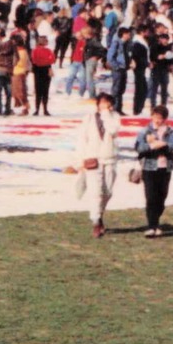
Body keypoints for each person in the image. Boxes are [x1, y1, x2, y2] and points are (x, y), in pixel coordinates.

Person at [74, 91, 120, 239]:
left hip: (109, 158)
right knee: (95, 192)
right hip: (93, 158)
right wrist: (80, 160)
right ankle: (95, 222)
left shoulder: (114, 118)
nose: (103, 106)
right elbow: (82, 139)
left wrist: (106, 114)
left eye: (106, 103)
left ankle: (99, 216)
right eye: (101, 103)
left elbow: (113, 131)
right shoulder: (88, 118)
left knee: (108, 192)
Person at [132, 105, 173, 239]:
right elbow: (139, 148)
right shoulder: (145, 131)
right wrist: (153, 145)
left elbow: (172, 147)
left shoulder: (170, 132)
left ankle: (155, 221)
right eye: (155, 117)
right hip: (149, 168)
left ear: (164, 119)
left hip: (165, 168)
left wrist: (160, 144)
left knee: (162, 197)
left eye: (160, 118)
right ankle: (152, 226)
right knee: (151, 196)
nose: (157, 120)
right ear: (152, 117)